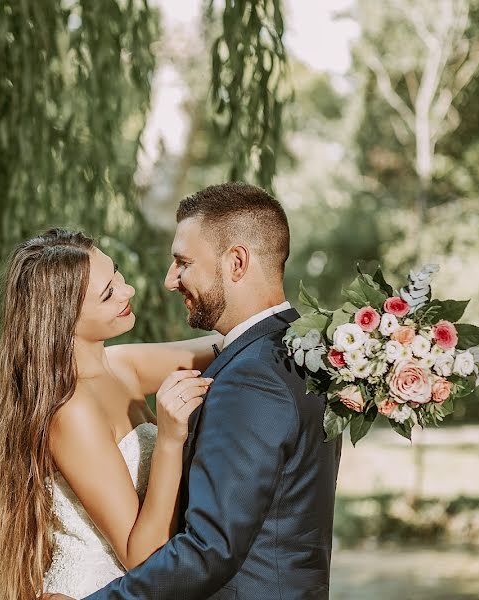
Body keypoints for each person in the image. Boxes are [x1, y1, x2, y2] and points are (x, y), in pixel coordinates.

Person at [45, 182, 342, 600]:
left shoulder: (258, 373)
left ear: (237, 262)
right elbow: (241, 342)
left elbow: (209, 549)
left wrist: (371, 344)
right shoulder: (297, 356)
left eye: (183, 263)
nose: (166, 282)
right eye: (110, 291)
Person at [0, 228, 221, 600]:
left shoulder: (121, 365)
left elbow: (229, 344)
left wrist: (332, 337)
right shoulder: (72, 411)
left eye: (117, 275)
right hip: (97, 590)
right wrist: (171, 440)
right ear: (63, 319)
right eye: (108, 294)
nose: (128, 292)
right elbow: (141, 558)